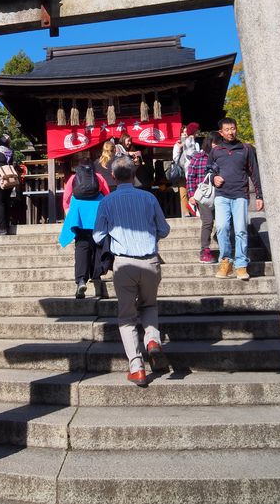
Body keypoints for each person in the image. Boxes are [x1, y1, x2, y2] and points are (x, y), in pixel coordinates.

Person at [93, 156, 170, 386]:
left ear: (113, 176)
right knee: (149, 305)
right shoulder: (148, 197)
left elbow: (98, 236)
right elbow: (164, 229)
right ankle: (153, 341)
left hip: (124, 263)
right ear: (134, 172)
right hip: (150, 261)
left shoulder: (106, 202)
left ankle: (137, 367)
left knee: (127, 317)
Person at [207, 117, 263, 281]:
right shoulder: (215, 151)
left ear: (236, 129)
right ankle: (226, 261)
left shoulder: (246, 149)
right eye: (227, 129)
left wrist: (259, 195)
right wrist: (213, 178)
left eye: (233, 128)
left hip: (240, 195)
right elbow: (209, 170)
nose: (231, 132)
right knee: (222, 227)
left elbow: (255, 172)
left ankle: (241, 265)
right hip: (222, 195)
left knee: (240, 230)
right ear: (221, 132)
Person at [60, 157, 110, 298]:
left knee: (82, 246)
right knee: (97, 245)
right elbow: (107, 195)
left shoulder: (74, 178)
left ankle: (81, 280)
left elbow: (66, 197)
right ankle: (96, 276)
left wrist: (68, 213)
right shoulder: (98, 177)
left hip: (80, 215)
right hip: (97, 215)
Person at [186, 131, 222, 263]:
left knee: (224, 222)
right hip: (203, 196)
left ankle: (220, 239)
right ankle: (205, 250)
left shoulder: (223, 156)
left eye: (218, 143)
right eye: (214, 143)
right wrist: (191, 194)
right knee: (207, 221)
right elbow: (190, 177)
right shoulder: (198, 157)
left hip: (220, 194)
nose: (216, 146)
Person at [172, 122, 200, 216]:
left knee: (194, 191)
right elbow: (175, 158)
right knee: (183, 193)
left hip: (191, 170)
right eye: (182, 133)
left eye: (185, 132)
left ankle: (195, 210)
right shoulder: (177, 144)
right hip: (181, 171)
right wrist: (179, 148)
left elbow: (196, 155)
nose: (184, 134)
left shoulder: (195, 144)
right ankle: (186, 212)